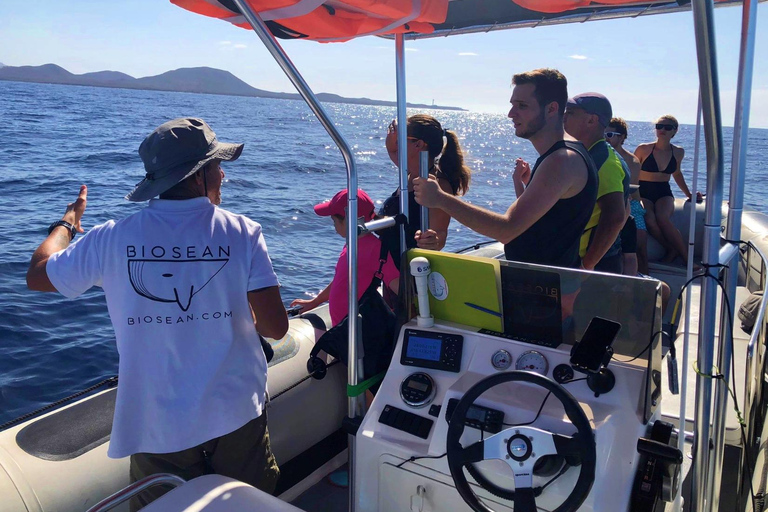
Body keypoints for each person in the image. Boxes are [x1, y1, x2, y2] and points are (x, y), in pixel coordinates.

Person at [26, 118, 288, 510]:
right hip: (236, 416)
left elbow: (37, 275)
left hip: (156, 427)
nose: (223, 176)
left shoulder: (110, 237)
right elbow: (276, 328)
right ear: (199, 174)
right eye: (218, 166)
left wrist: (68, 222)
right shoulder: (243, 232)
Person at [414, 68, 597, 269]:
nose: (511, 114)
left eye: (522, 106)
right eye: (512, 105)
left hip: (549, 291)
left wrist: (440, 198)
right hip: (544, 284)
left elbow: (506, 230)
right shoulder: (565, 154)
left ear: (552, 109)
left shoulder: (562, 160)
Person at [289, 188, 399, 326]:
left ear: (348, 219)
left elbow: (398, 286)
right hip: (341, 328)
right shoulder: (352, 244)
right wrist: (315, 302)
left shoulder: (375, 250)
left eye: (334, 221)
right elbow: (341, 280)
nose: (334, 227)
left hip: (357, 333)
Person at [379, 114, 472, 263]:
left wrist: (432, 240)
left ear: (418, 144)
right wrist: (394, 131)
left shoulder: (438, 184)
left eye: (401, 139)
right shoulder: (408, 172)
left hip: (414, 272)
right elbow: (392, 149)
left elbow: (440, 233)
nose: (398, 144)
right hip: (392, 270)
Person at [563, 93, 630, 273]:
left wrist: (587, 265)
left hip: (592, 264)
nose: (563, 117)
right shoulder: (589, 153)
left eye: (570, 112)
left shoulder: (605, 162)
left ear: (592, 120)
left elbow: (616, 217)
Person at [635, 115, 703, 264]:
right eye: (659, 126)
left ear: (675, 131)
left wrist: (689, 194)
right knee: (650, 219)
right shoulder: (643, 149)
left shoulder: (678, 152)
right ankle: (670, 249)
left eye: (667, 127)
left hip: (663, 191)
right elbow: (632, 171)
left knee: (663, 218)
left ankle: (687, 259)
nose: (662, 130)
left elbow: (677, 173)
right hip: (643, 190)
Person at [605, 117, 649, 275]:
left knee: (640, 244)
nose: (605, 138)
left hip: (629, 201)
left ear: (621, 137)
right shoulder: (598, 156)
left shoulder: (631, 160)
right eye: (603, 134)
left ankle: (644, 282)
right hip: (608, 201)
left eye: (609, 134)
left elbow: (633, 190)